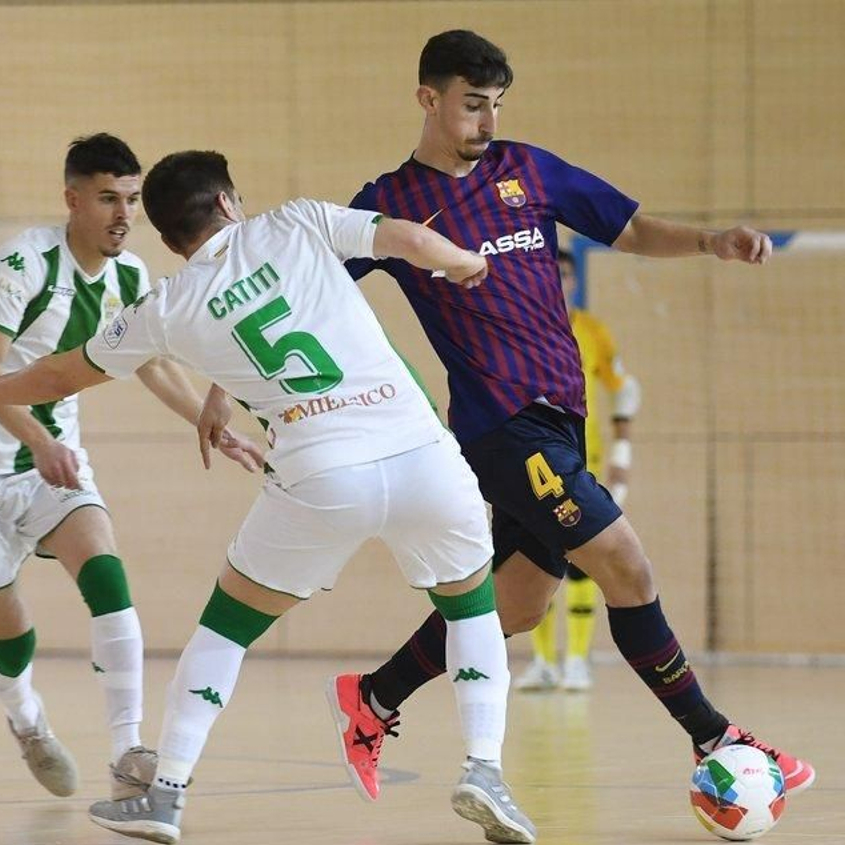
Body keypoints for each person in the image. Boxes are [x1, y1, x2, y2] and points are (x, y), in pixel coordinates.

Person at [0, 150, 536, 845]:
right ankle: (484, 769)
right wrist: (460, 261)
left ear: (166, 234)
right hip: (422, 456)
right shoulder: (299, 222)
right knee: (470, 606)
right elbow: (406, 238)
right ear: (228, 201)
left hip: (320, 470)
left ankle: (168, 791)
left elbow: (65, 372)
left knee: (226, 630)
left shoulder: (166, 304)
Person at [330, 30, 815, 798]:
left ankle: (374, 697)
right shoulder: (387, 205)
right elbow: (307, 285)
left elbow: (627, 228)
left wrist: (711, 241)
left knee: (517, 602)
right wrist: (238, 384)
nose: (486, 123)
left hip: (563, 422)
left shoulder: (528, 168)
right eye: (471, 106)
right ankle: (715, 738)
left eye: (495, 106)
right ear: (428, 99)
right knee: (626, 565)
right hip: (502, 426)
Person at [0, 134, 261, 800]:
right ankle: (27, 720)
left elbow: (154, 364)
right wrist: (38, 441)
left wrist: (209, 423)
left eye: (132, 199)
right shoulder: (22, 262)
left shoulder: (130, 278)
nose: (123, 214)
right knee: (10, 630)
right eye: (108, 198)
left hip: (53, 467)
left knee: (106, 573)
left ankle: (127, 748)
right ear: (72, 199)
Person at [515, 248, 640, 693]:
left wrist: (621, 457)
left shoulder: (591, 331)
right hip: (532, 463)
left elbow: (624, 391)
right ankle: (545, 661)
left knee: (586, 559)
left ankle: (577, 661)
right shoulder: (518, 327)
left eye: (567, 274)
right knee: (535, 560)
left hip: (583, 461)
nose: (561, 281)